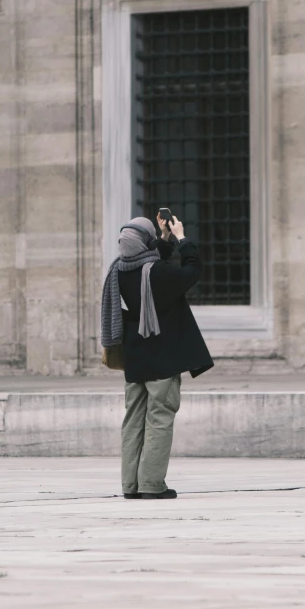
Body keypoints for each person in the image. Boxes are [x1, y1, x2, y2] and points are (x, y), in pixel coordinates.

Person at [101, 212, 214, 500]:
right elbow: (192, 271)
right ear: (144, 242)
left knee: (133, 420)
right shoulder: (158, 273)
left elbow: (150, 264)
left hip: (135, 357)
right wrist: (183, 238)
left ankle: (130, 485)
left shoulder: (119, 271)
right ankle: (152, 484)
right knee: (160, 417)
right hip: (163, 356)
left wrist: (163, 239)